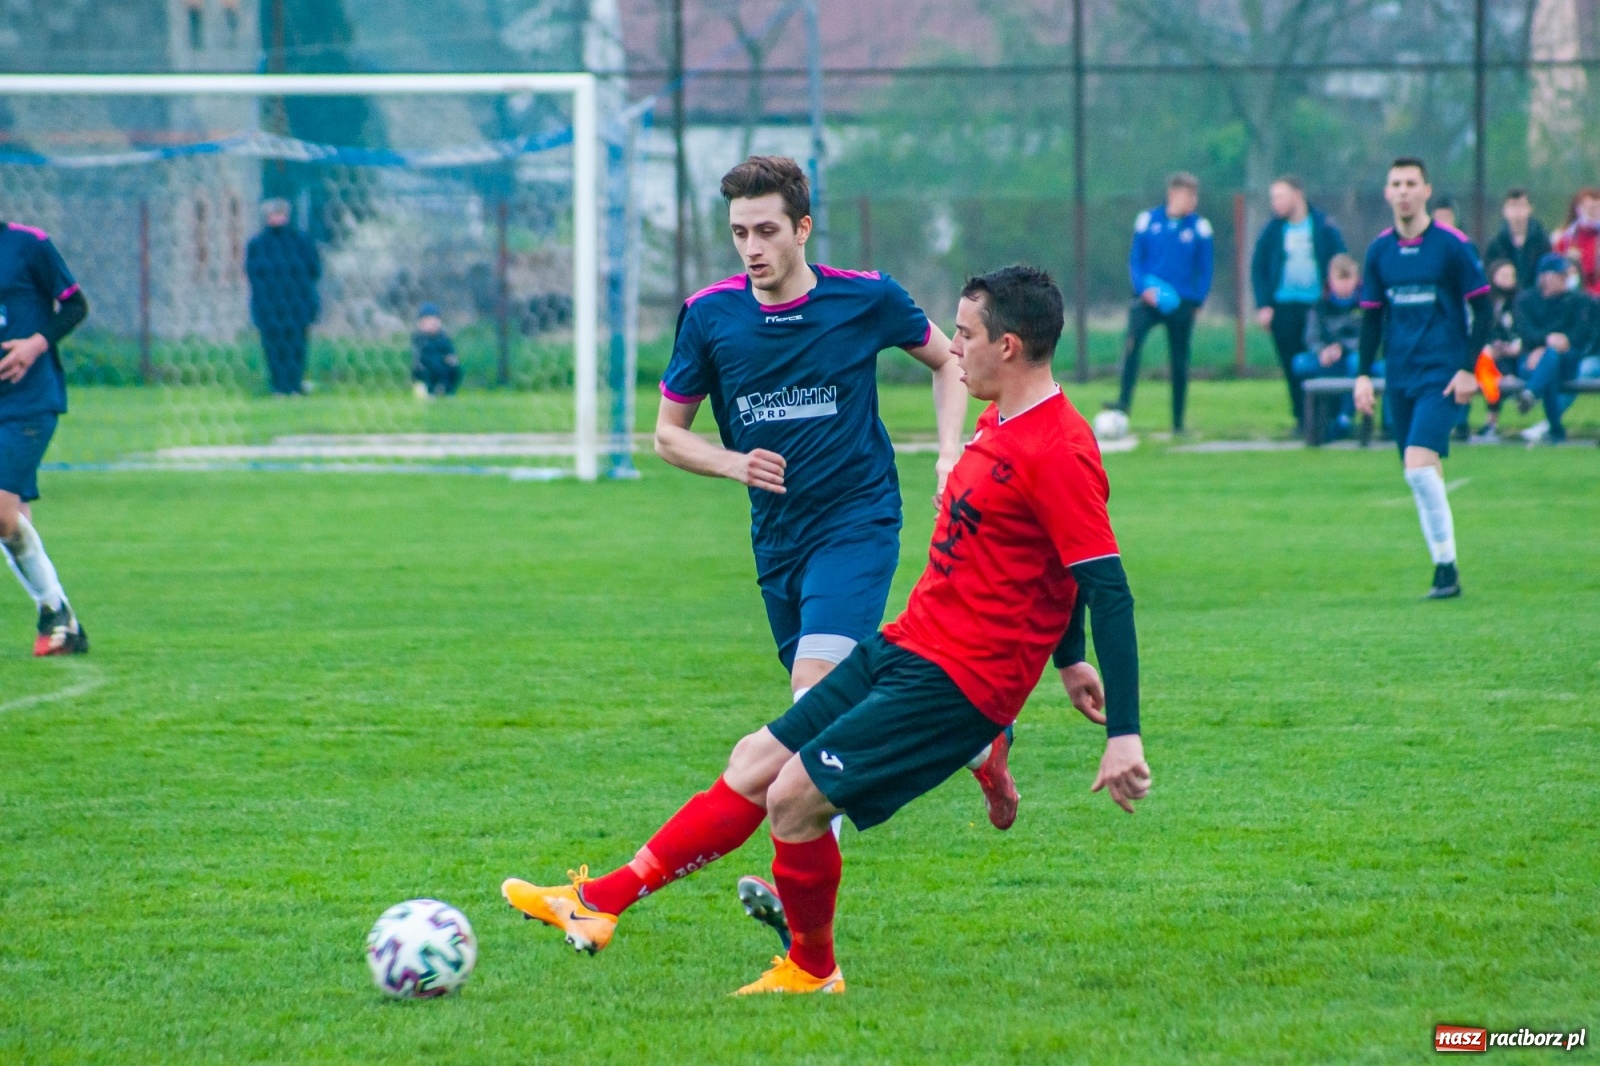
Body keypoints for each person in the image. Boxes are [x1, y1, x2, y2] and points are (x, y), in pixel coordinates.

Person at [502, 265, 1150, 995]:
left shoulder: (1056, 448)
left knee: (793, 800)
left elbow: (1105, 586)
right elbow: (1045, 568)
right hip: (909, 643)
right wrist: (1069, 659)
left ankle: (813, 968)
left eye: (964, 336)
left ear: (1007, 345)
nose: (952, 350)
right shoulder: (997, 418)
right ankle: (597, 903)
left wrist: (1122, 731)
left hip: (962, 682)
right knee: (754, 759)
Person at [650, 156, 1019, 847]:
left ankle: (802, 858)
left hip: (858, 521)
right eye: (739, 233)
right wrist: (733, 462)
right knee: (839, 692)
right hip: (777, 537)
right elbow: (669, 437)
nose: (752, 248)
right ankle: (977, 740)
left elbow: (947, 361)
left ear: (803, 228)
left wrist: (948, 450)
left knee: (812, 689)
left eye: (766, 230)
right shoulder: (709, 317)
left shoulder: (864, 298)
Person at [1354, 157, 1493, 600]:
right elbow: (1372, 321)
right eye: (1396, 183)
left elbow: (1484, 309)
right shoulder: (1379, 251)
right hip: (1400, 377)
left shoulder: (1452, 246)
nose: (1404, 191)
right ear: (1387, 192)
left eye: (1411, 183)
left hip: (1444, 374)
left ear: (1427, 190)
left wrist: (1468, 368)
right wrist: (1362, 375)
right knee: (1423, 470)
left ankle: (1445, 570)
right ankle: (1445, 568)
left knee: (1417, 468)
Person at [0, 221, 91, 655]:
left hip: (28, 402)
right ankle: (59, 618)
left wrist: (35, 344)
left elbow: (75, 306)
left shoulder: (28, 245)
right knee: (14, 524)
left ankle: (57, 612)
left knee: (1, 515)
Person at [1108, 172, 1214, 433]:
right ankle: (1123, 405)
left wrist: (1197, 300)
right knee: (1133, 344)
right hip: (1147, 299)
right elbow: (1136, 260)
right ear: (1173, 194)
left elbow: (1206, 268)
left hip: (1181, 303)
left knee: (1179, 359)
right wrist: (1143, 289)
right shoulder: (1148, 221)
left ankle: (1178, 422)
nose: (1192, 200)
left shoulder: (1199, 228)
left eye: (1194, 195)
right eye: (1188, 195)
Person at [1251, 176, 1348, 429]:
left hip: (1317, 308)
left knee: (1322, 360)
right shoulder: (1272, 230)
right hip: (1284, 308)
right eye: (1273, 198)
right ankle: (1302, 417)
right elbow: (1258, 267)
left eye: (1280, 196)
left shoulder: (1322, 225)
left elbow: (1340, 260)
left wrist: (1339, 296)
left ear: (1297, 194)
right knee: (1291, 363)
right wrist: (1264, 305)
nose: (1276, 203)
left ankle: (1329, 416)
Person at [1511, 253, 1599, 445]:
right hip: (1533, 359)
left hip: (1566, 359)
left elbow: (1581, 334)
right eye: (1561, 275)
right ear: (1544, 277)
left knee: (1552, 358)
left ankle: (1531, 394)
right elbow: (1525, 331)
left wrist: (1555, 343)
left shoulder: (1577, 301)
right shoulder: (1526, 300)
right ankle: (1555, 429)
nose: (1565, 279)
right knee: (1550, 362)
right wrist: (1546, 341)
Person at [1288, 253, 1369, 439]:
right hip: (1328, 358)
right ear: (1330, 280)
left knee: (1356, 364)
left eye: (1348, 278)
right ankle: (1316, 419)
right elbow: (1311, 337)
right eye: (1340, 279)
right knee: (1299, 363)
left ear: (1356, 278)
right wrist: (1322, 351)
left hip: (1353, 357)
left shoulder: (1364, 305)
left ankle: (1344, 418)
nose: (1344, 284)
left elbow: (1368, 337)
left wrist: (1343, 348)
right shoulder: (1320, 306)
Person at [245, 198, 321, 396]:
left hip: (297, 305)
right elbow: (253, 275)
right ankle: (278, 385)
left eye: (280, 213)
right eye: (273, 214)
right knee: (273, 346)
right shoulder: (258, 244)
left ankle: (294, 385)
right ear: (266, 217)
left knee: (296, 345)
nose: (277, 217)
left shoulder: (301, 241)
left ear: (287, 216)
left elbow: (314, 270)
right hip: (269, 307)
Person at [1468, 259, 1523, 443]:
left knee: (1497, 365)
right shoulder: (1485, 305)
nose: (1510, 280)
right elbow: (1479, 330)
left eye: (1512, 276)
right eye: (1505, 276)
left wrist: (1515, 345)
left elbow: (1522, 330)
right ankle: (1488, 422)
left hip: (1515, 356)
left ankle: (1491, 422)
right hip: (1487, 355)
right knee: (1487, 362)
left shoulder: (1519, 303)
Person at [1484, 189, 1552, 289]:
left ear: (1530, 209)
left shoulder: (1542, 242)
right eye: (1513, 206)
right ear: (1504, 210)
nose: (1517, 211)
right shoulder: (1496, 244)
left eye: (1521, 206)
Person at [1552, 188, 1600, 297]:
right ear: (1577, 209)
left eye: (1597, 208)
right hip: (1572, 297)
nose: (1594, 213)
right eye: (1589, 208)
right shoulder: (1565, 238)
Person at [410, 302, 461, 398]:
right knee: (429, 366)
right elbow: (419, 357)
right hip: (426, 367)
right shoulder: (419, 338)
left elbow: (450, 351)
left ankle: (447, 390)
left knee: (453, 366)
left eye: (433, 321)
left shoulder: (443, 337)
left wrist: (451, 358)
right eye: (427, 321)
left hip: (441, 365)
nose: (431, 324)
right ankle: (429, 391)